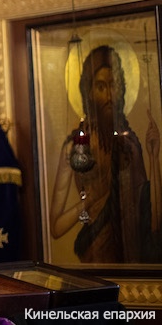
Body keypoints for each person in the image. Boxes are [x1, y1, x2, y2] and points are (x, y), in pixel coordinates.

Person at [49, 45, 162, 263]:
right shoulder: (76, 147)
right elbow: (56, 227)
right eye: (101, 86)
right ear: (88, 93)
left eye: (114, 85)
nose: (109, 95)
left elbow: (153, 218)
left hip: (131, 258)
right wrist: (88, 202)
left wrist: (154, 156)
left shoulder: (129, 145)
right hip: (96, 256)